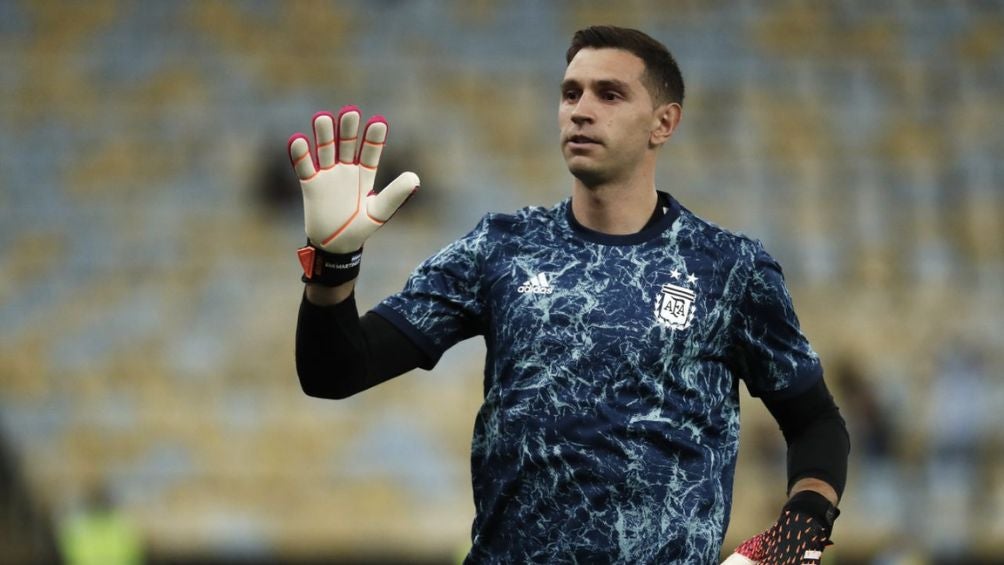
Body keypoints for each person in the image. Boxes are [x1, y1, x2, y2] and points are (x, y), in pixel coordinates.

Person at [290, 26, 849, 564]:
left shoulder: (730, 267)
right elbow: (336, 373)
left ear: (663, 122)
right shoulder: (500, 247)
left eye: (610, 94)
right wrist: (334, 264)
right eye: (570, 93)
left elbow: (816, 423)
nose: (580, 109)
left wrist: (794, 541)